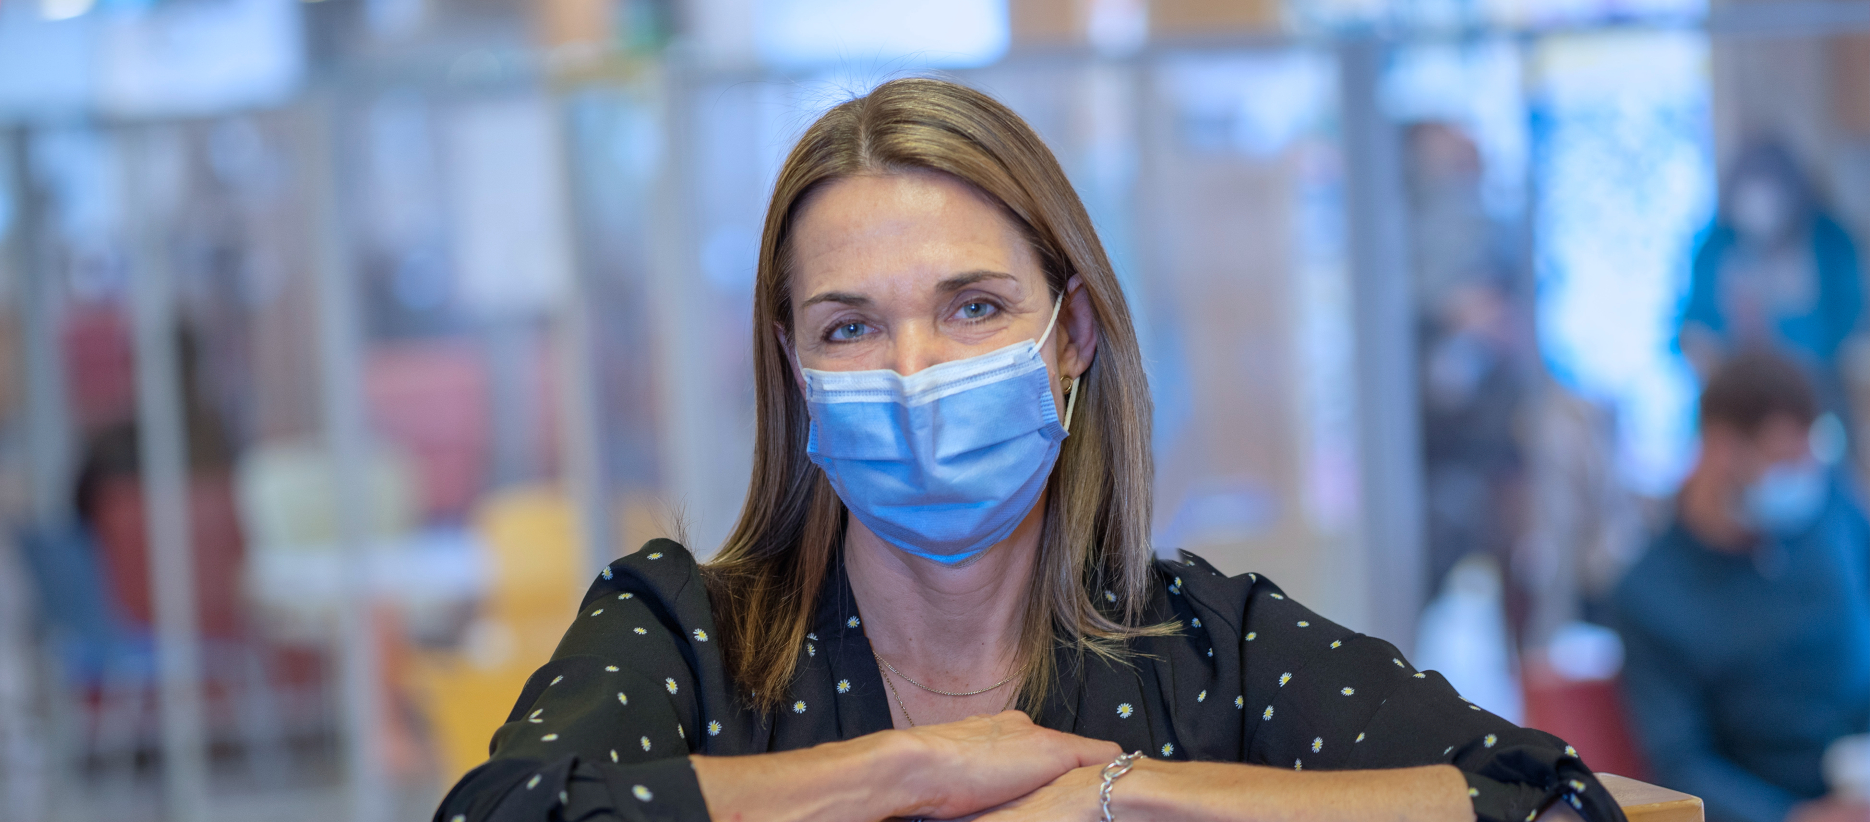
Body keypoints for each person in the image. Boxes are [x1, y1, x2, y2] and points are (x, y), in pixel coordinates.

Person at [436, 78, 1622, 822]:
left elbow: (1545, 795)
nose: (914, 372)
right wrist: (915, 773)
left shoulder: (1207, 653)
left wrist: (1114, 792)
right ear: (795, 368)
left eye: (972, 308)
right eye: (851, 325)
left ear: (1072, 337)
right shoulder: (683, 633)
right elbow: (504, 812)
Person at [1614, 351, 1870, 822]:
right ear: (1723, 450)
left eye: (1808, 456)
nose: (1802, 477)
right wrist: (1796, 818)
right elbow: (1678, 763)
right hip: (1778, 802)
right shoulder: (1650, 595)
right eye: (1783, 459)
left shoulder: (1828, 512)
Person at [1679, 141, 1863, 417]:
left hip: (1817, 400)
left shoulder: (1828, 243)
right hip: (1737, 405)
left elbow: (1852, 320)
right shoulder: (1716, 248)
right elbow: (1696, 329)